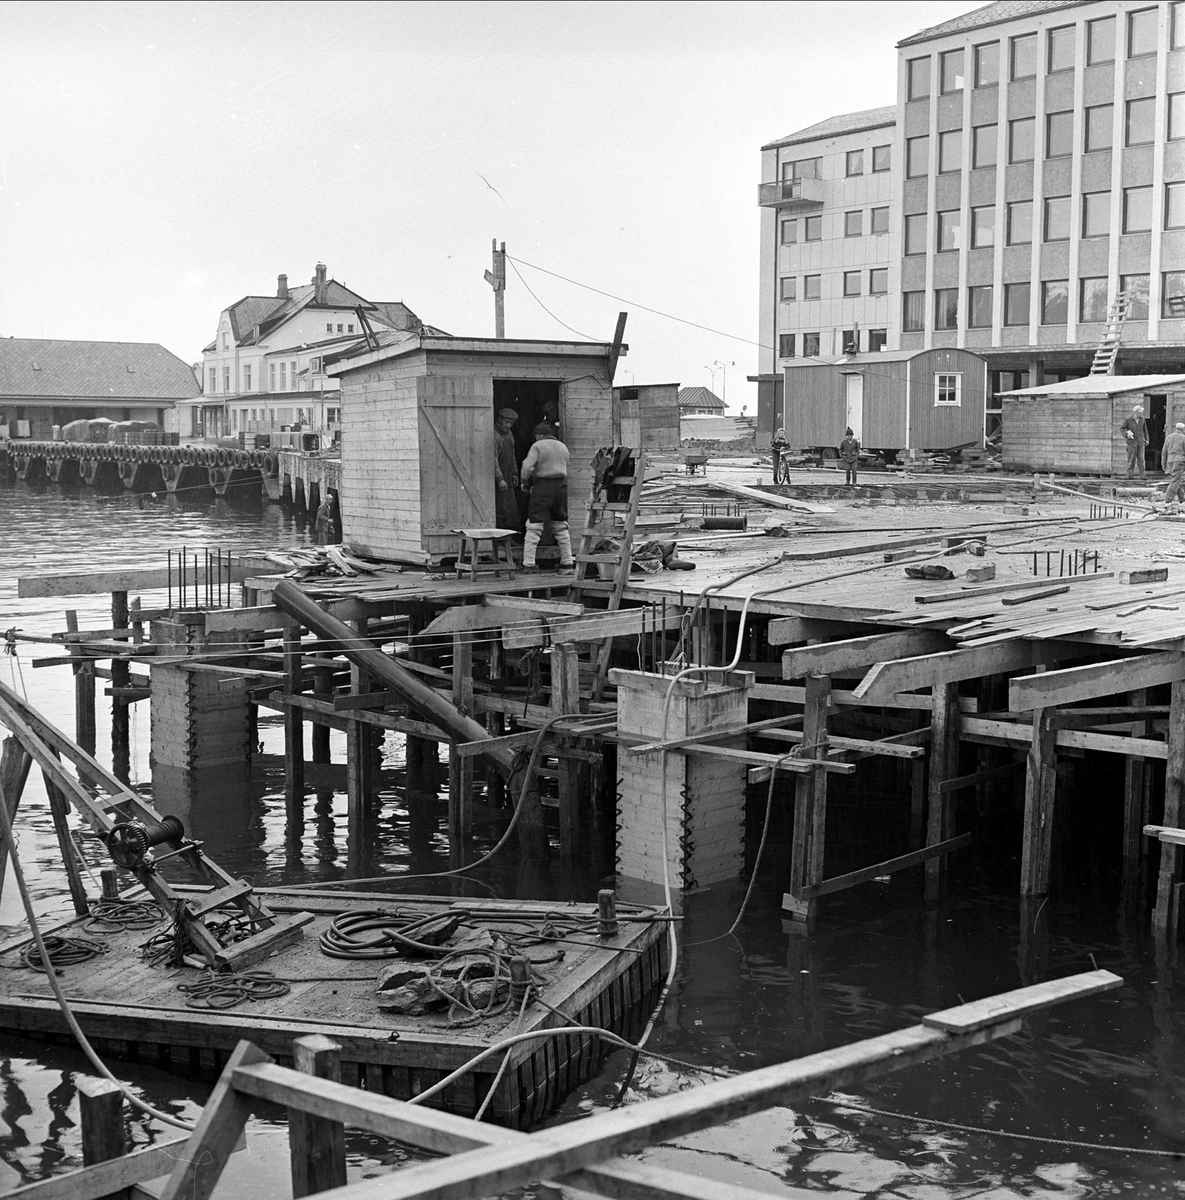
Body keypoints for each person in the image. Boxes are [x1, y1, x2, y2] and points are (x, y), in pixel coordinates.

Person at [519, 422, 574, 573]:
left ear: (538, 435)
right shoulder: (563, 447)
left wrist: (525, 482)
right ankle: (567, 562)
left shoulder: (538, 446)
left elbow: (527, 467)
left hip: (543, 486)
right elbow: (567, 464)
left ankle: (529, 564)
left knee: (534, 525)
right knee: (560, 524)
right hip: (561, 487)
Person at [493, 407, 520, 531]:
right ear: (499, 420)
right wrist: (499, 479)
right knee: (500, 508)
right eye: (507, 422)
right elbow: (493, 460)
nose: (509, 426)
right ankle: (499, 540)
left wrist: (514, 472)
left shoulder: (509, 434)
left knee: (510, 507)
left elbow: (512, 454)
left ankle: (509, 538)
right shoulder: (495, 435)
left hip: (508, 475)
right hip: (498, 476)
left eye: (512, 423)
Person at [1122, 405, 1148, 478]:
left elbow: (1145, 430)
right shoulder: (1128, 420)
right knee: (1131, 460)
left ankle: (1142, 475)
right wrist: (1126, 435)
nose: (1142, 413)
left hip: (1141, 443)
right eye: (1140, 412)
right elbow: (1122, 428)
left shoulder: (1142, 419)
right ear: (1135, 413)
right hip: (1132, 443)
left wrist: (1147, 439)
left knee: (1141, 460)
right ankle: (1130, 475)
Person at [1164, 420, 1185, 509]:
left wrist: (1163, 463)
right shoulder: (1183, 438)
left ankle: (1182, 500)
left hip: (1170, 461)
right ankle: (1168, 501)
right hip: (1179, 461)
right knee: (1175, 481)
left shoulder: (1169, 437)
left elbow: (1164, 452)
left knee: (1176, 479)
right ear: (1183, 429)